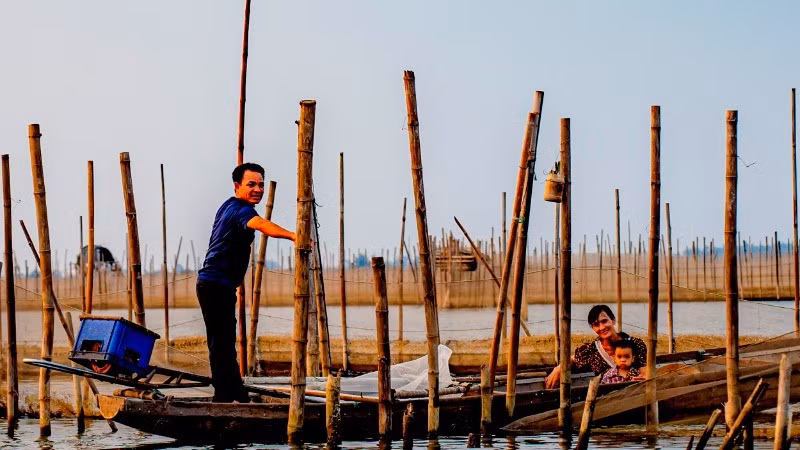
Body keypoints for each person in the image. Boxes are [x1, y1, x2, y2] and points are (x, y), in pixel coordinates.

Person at [197, 163, 297, 402]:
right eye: (251, 184)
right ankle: (224, 395)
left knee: (224, 340)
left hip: (217, 284)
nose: (258, 189)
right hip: (215, 284)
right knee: (221, 343)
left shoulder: (229, 206)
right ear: (237, 186)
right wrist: (294, 235)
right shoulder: (241, 211)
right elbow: (262, 225)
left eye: (261, 184)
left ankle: (234, 392)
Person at [544, 304, 647, 389]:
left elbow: (645, 372)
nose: (601, 327)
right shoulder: (591, 350)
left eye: (604, 321)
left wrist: (642, 377)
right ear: (593, 328)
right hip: (607, 399)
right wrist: (558, 369)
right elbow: (573, 359)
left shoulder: (635, 344)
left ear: (613, 320)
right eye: (596, 324)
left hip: (634, 394)